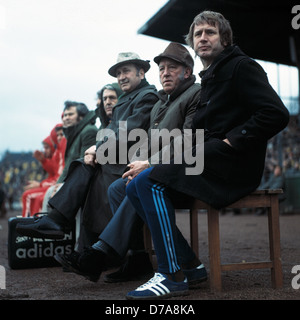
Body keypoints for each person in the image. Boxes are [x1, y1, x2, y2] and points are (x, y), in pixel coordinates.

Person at [123, 11, 290, 300]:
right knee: (135, 185)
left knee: (147, 182)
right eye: (198, 33)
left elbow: (276, 114)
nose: (203, 38)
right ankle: (191, 266)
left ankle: (171, 276)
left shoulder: (241, 66)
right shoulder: (210, 76)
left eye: (210, 32)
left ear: (224, 38)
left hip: (233, 165)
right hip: (208, 159)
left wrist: (231, 141)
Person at [54, 42, 206, 285]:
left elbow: (189, 142)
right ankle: (154, 259)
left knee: (138, 184)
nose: (165, 73)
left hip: (185, 169)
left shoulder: (195, 93)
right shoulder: (161, 101)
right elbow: (147, 143)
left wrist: (147, 163)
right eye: (162, 68)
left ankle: (102, 251)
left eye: (172, 68)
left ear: (187, 72)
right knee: (119, 186)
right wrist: (137, 163)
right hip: (161, 169)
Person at [16, 53, 159, 249]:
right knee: (86, 173)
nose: (121, 77)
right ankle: (79, 245)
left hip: (130, 163)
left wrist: (97, 149)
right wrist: (97, 150)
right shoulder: (130, 98)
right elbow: (115, 134)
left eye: (126, 71)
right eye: (118, 73)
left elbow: (128, 134)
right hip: (118, 160)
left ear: (141, 72)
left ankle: (71, 234)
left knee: (87, 172)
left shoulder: (147, 96)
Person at [21, 135, 57, 217]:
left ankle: (26, 223)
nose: (45, 151)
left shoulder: (57, 155)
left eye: (47, 148)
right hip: (52, 185)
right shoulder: (53, 157)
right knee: (29, 195)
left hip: (54, 187)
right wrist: (43, 161)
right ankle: (30, 222)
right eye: (44, 148)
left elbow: (56, 178)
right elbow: (52, 173)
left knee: (27, 196)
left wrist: (40, 185)